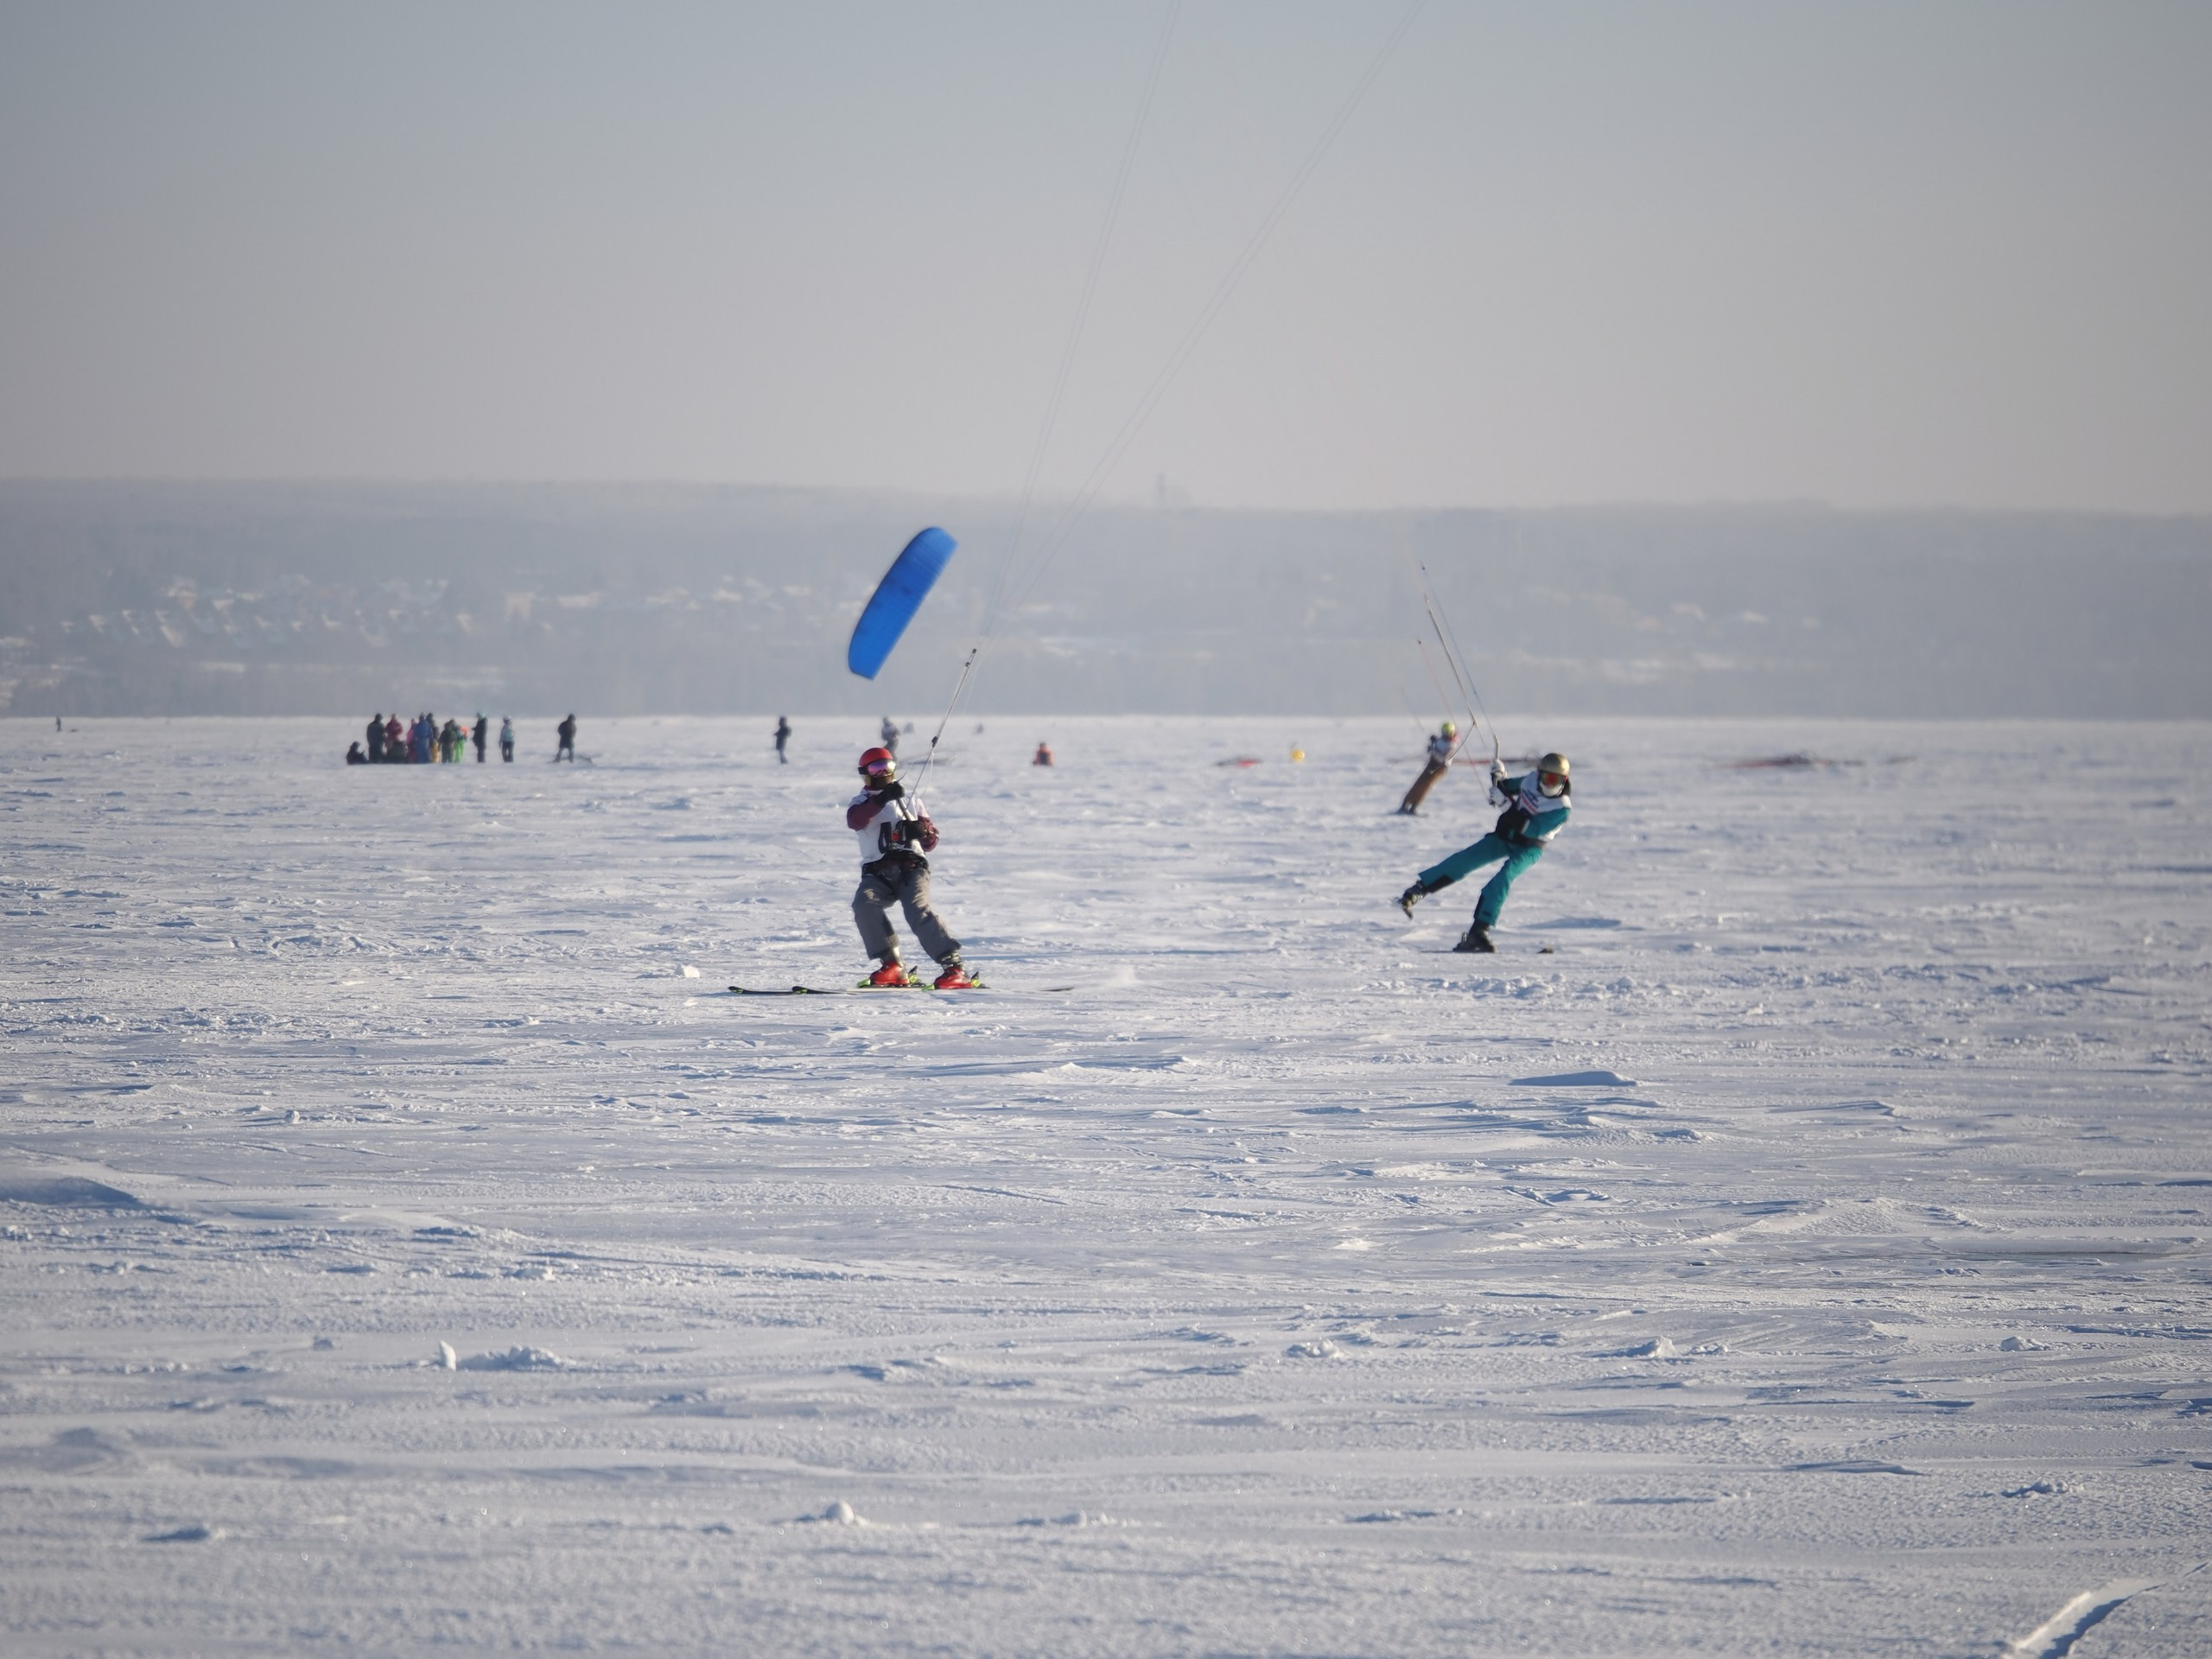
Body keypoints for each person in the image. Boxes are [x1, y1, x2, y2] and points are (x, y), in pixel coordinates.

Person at [1396, 752, 1573, 952]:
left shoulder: (1561, 809)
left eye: (1554, 779)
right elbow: (1506, 788)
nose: (1548, 784)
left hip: (1529, 846)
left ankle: (1479, 931)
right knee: (1465, 860)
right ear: (1538, 774)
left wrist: (1506, 804)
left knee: (1503, 879)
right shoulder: (1531, 781)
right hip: (1505, 835)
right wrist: (1498, 777)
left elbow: (1531, 829)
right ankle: (1418, 890)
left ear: (1564, 780)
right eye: (1545, 777)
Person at [846, 746, 975, 988]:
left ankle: (954, 967)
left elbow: (931, 841)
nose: (884, 772)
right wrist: (882, 799)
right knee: (864, 905)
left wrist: (922, 831)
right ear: (866, 773)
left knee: (916, 909)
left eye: (889, 767)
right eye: (877, 768)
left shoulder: (911, 801)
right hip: (878, 872)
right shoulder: (861, 802)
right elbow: (856, 820)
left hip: (912, 868)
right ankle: (892, 965)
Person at [1398, 721, 1459, 815]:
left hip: (1439, 768)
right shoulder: (1441, 740)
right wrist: (1433, 743)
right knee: (1418, 783)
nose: (1446, 735)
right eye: (1445, 732)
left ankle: (1414, 807)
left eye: (1448, 733)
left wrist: (1434, 751)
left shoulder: (1452, 745)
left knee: (1425, 786)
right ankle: (1405, 804)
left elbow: (1443, 759)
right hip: (1432, 764)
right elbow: (1434, 748)